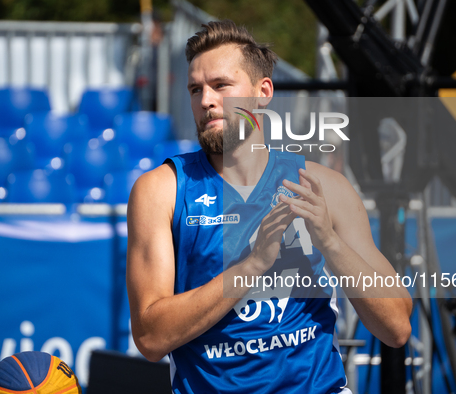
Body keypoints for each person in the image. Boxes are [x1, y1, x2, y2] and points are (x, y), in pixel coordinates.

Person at [126, 20, 412, 393]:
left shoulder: (323, 186)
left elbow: (397, 328)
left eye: (221, 85)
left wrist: (330, 243)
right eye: (195, 89)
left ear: (263, 92)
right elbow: (150, 337)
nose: (206, 100)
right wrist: (252, 266)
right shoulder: (161, 190)